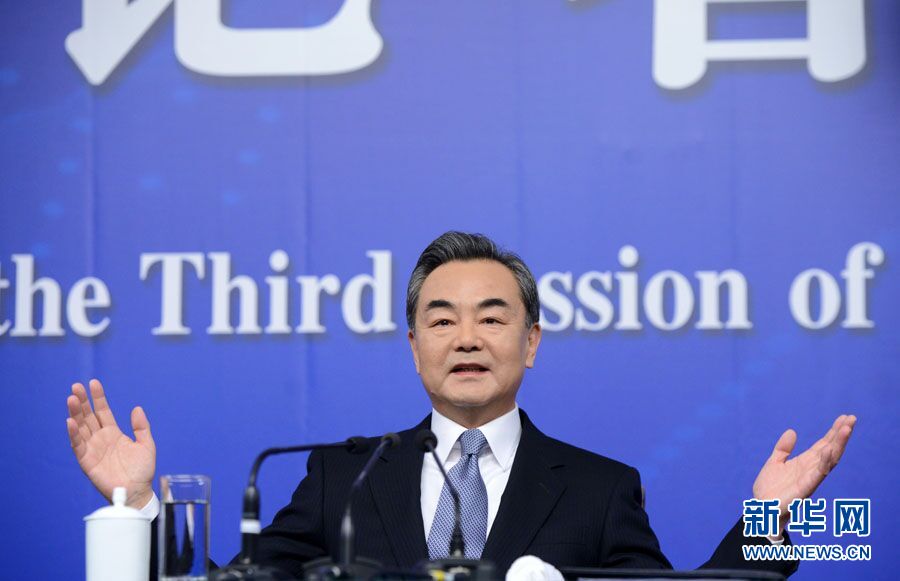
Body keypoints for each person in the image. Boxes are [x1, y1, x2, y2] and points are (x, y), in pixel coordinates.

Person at [66, 231, 857, 578]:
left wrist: (771, 519)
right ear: (414, 346)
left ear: (532, 341)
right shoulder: (343, 476)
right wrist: (138, 507)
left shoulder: (599, 487)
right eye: (442, 319)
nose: (468, 337)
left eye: (493, 317)